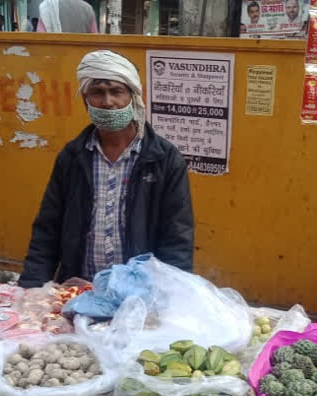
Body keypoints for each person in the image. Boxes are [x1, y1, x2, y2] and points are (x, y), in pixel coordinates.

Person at [18, 50, 194, 288]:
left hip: (140, 295)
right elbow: (47, 230)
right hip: (79, 289)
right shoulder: (72, 157)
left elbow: (177, 239)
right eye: (97, 93)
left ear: (133, 97)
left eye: (116, 91)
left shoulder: (164, 159)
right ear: (85, 100)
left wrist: (169, 296)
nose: (108, 102)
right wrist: (32, 287)